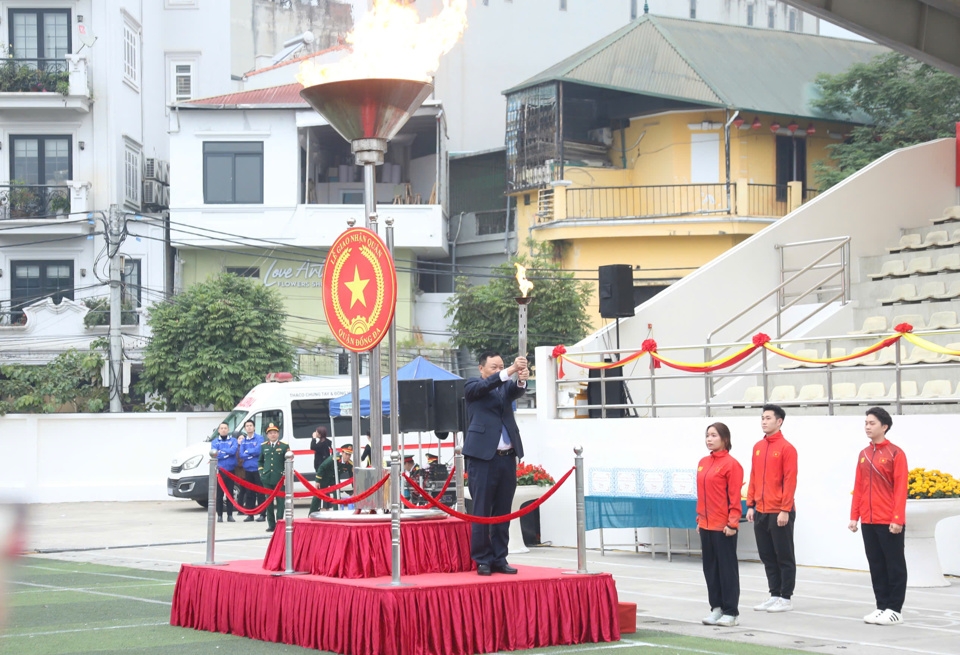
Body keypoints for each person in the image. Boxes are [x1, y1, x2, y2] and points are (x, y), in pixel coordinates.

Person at [463, 352, 528, 576]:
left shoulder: (504, 388)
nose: (498, 369)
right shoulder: (473, 385)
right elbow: (485, 387)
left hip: (506, 457)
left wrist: (520, 377)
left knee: (503, 510)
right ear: (481, 369)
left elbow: (517, 389)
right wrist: (509, 370)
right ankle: (482, 558)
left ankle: (500, 557)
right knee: (481, 510)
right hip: (482, 458)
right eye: (493, 366)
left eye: (500, 366)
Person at [849, 407, 909, 626]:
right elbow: (859, 487)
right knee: (876, 564)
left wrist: (897, 519)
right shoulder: (863, 454)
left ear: (884, 426)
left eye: (872, 423)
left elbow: (901, 489)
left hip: (888, 521)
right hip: (869, 520)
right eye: (866, 422)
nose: (867, 426)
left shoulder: (896, 453)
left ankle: (895, 609)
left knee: (894, 565)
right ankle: (881, 605)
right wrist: (854, 516)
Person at [746, 404, 798, 613]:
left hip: (780, 511)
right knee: (767, 555)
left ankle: (786, 597)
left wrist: (785, 509)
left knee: (783, 555)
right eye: (762, 418)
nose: (764, 421)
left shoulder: (787, 448)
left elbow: (790, 480)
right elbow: (753, 477)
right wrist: (750, 505)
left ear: (779, 421)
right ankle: (774, 593)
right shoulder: (758, 446)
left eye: (768, 418)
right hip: (761, 510)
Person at [697, 422, 744, 628]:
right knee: (710, 569)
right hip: (706, 525)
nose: (709, 439)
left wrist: (732, 523)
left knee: (727, 570)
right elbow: (702, 495)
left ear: (725, 439)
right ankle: (716, 608)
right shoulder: (703, 462)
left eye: (714, 435)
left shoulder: (732, 465)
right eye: (707, 435)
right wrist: (700, 519)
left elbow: (734, 497)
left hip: (723, 526)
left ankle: (730, 611)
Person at [258, 424, 288, 533]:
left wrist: (286, 474)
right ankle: (271, 524)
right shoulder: (264, 446)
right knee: (268, 502)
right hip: (267, 478)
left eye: (275, 432)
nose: (273, 434)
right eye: (270, 433)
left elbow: (289, 461)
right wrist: (261, 472)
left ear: (278, 434)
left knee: (281, 502)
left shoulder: (284, 446)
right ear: (267, 435)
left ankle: (279, 523)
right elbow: (260, 461)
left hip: (279, 479)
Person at [237, 420, 265, 522]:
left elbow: (258, 450)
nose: (249, 427)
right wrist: (251, 454)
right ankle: (250, 514)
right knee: (249, 493)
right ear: (245, 428)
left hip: (257, 469)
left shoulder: (259, 438)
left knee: (260, 492)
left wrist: (248, 452)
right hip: (247, 469)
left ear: (254, 427)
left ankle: (262, 514)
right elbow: (241, 454)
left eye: (250, 425)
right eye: (247, 426)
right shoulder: (244, 440)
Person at [211, 422, 238, 523]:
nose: (223, 430)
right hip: (220, 471)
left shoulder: (233, 440)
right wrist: (226, 453)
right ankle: (220, 516)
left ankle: (230, 515)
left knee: (230, 494)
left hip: (230, 471)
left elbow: (233, 451)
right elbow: (215, 454)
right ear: (218, 430)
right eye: (221, 428)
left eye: (225, 428)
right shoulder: (214, 442)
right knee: (219, 494)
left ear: (228, 429)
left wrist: (222, 452)